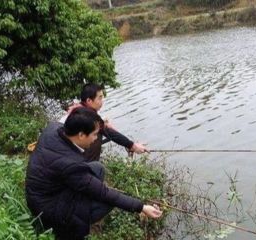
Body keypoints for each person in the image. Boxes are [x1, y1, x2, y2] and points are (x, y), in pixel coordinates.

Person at [25, 108, 162, 240]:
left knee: (97, 168)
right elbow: (104, 193)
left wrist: (130, 144)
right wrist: (142, 207)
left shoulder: (54, 128)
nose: (96, 138)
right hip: (46, 208)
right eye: (95, 134)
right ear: (81, 135)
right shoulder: (71, 165)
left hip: (42, 191)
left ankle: (80, 207)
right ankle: (70, 232)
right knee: (106, 201)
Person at [60, 83, 148, 161]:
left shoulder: (79, 109)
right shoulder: (88, 117)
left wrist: (129, 144)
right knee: (96, 132)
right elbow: (109, 132)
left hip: (65, 153)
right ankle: (90, 166)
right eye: (99, 98)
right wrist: (133, 146)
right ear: (89, 101)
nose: (102, 102)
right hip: (71, 157)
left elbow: (107, 128)